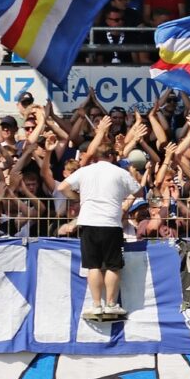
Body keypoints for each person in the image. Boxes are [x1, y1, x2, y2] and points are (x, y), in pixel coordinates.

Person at [57, 136, 141, 320]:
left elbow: (62, 187)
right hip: (111, 222)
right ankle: (110, 304)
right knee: (113, 265)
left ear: (96, 156)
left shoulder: (85, 171)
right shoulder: (119, 172)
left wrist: (78, 198)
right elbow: (139, 191)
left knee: (93, 265)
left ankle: (96, 305)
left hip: (88, 222)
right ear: (111, 156)